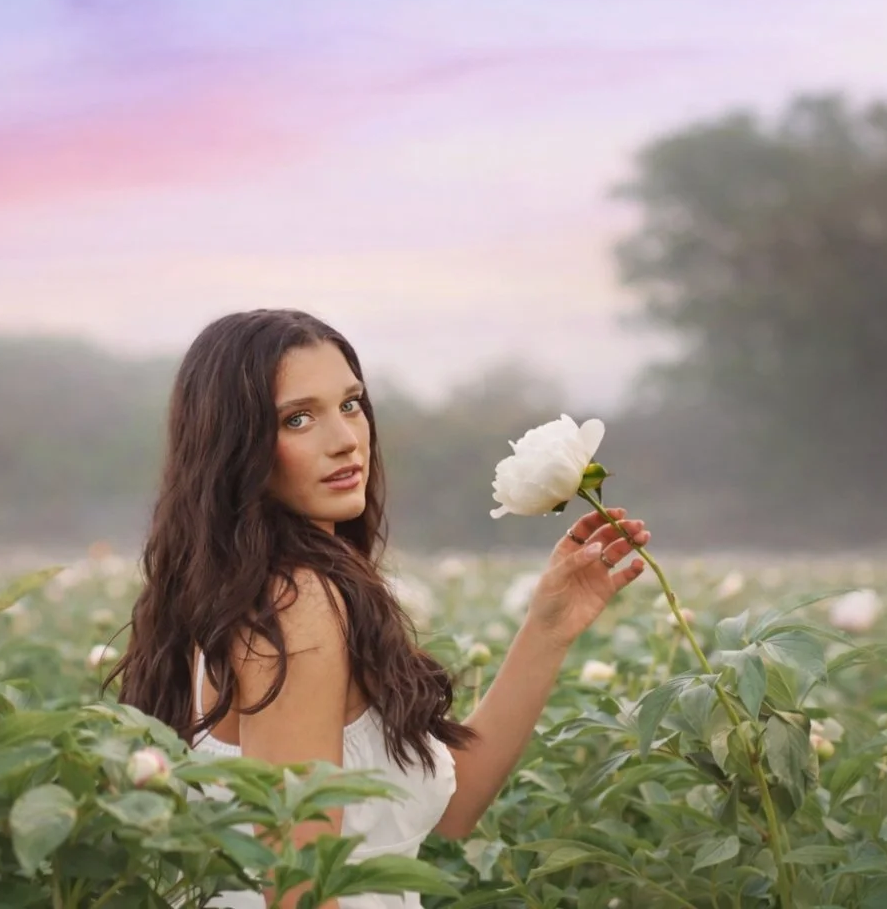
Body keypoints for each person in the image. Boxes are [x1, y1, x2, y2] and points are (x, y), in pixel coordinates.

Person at [110, 309, 649, 909]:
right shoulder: (294, 605)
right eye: (298, 418)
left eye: (350, 404)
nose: (345, 438)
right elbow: (299, 893)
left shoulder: (234, 593)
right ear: (235, 446)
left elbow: (456, 807)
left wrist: (548, 627)